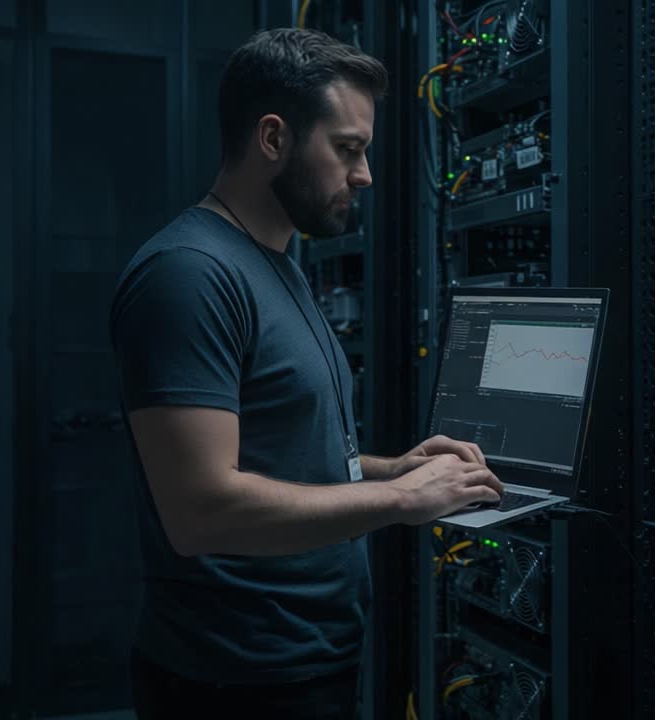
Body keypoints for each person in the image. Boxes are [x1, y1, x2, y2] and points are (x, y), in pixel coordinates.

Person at [109, 27, 503, 719]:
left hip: (304, 663)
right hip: (233, 683)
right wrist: (403, 503)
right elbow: (201, 511)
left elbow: (282, 450)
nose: (365, 174)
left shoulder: (277, 264)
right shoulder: (189, 276)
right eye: (347, 149)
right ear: (273, 139)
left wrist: (393, 468)